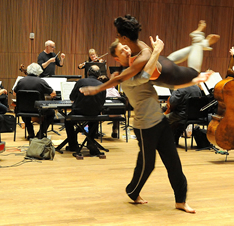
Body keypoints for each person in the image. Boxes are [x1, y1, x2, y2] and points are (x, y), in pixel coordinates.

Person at [97, 33, 196, 213]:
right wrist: (155, 51)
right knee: (147, 165)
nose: (127, 50)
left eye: (126, 46)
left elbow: (158, 72)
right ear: (116, 57)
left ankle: (180, 200)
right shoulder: (123, 76)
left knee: (174, 162)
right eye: (122, 50)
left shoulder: (139, 62)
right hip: (144, 126)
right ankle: (132, 191)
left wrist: (154, 54)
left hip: (160, 121)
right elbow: (144, 77)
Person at [80, 15, 218, 96]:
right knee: (171, 58)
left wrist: (97, 89)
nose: (117, 38)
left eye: (118, 35)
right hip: (165, 63)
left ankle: (198, 39)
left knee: (195, 71)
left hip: (176, 75)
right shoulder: (138, 44)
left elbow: (121, 79)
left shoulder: (143, 57)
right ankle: (201, 42)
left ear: (125, 38)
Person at [64, 65, 106, 154]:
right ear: (99, 75)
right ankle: (90, 142)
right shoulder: (102, 85)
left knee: (67, 121)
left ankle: (73, 145)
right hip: (95, 113)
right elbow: (102, 102)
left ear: (87, 73)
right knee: (93, 121)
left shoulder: (80, 82)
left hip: (79, 112)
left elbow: (72, 97)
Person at [13, 63, 56, 139]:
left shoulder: (21, 81)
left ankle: (30, 133)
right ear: (39, 72)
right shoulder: (41, 81)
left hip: (22, 110)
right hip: (38, 110)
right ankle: (41, 133)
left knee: (25, 113)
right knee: (51, 113)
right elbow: (53, 94)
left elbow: (14, 93)